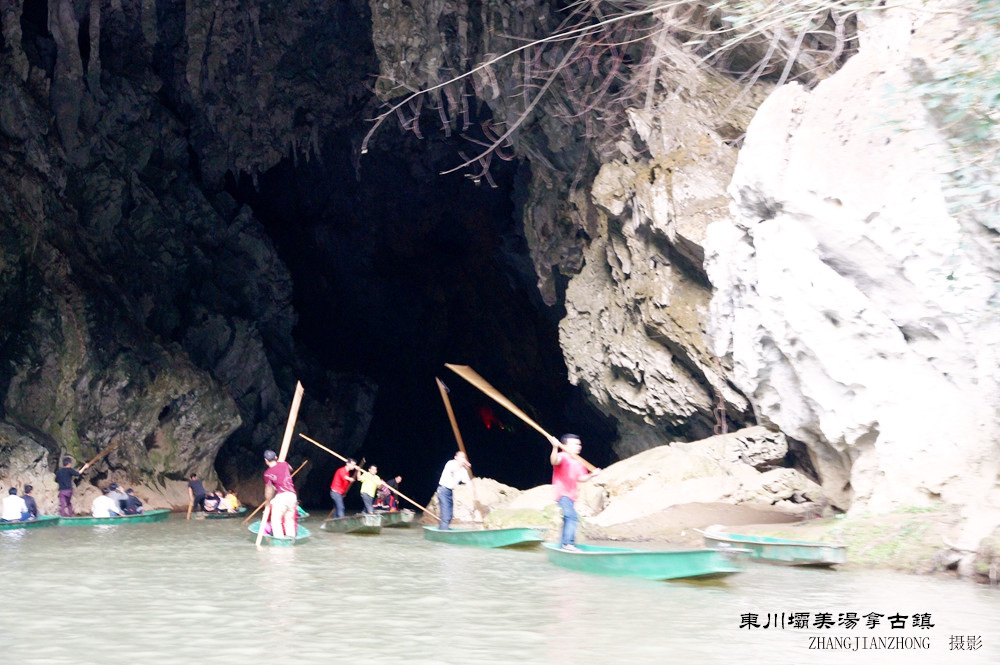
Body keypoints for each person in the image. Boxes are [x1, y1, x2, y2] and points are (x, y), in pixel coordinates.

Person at [550, 433, 600, 551]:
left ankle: (563, 544)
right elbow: (554, 461)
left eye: (579, 444)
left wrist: (593, 474)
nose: (579, 446)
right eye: (575, 444)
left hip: (572, 496)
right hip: (562, 494)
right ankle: (568, 544)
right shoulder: (562, 456)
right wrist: (555, 447)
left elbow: (581, 478)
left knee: (569, 517)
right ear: (565, 446)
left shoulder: (579, 462)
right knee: (572, 516)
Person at [262, 449, 298, 538]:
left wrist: (267, 502)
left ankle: (279, 542)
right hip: (292, 496)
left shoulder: (267, 474)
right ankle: (290, 540)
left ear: (266, 460)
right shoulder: (284, 464)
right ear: (276, 458)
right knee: (289, 521)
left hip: (282, 496)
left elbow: (269, 490)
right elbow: (291, 469)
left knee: (276, 521)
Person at [436, 452, 471, 530]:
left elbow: (467, 482)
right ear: (456, 457)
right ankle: (443, 532)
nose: (463, 459)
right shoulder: (451, 463)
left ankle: (443, 528)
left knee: (450, 515)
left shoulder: (463, 470)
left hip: (450, 492)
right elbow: (452, 470)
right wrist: (462, 465)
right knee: (446, 515)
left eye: (464, 458)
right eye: (461, 457)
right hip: (443, 490)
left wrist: (473, 493)